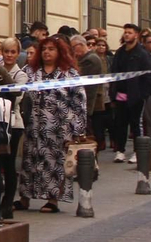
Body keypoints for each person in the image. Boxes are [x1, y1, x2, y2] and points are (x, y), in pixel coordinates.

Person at [18, 35, 86, 213]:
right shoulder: (30, 71)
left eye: (51, 49)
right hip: (33, 126)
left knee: (54, 163)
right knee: (30, 162)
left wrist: (77, 130)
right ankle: (24, 198)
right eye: (44, 49)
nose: (47, 52)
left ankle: (52, 199)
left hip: (58, 129)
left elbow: (79, 102)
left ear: (60, 52)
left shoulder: (69, 73)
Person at [108, 24, 151, 163]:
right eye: (125, 32)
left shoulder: (142, 53)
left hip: (136, 95)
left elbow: (148, 75)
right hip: (120, 94)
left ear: (136, 35)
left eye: (130, 32)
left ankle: (137, 152)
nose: (126, 34)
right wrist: (113, 92)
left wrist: (142, 94)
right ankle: (120, 151)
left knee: (136, 124)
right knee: (120, 124)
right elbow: (113, 73)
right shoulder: (120, 52)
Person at [77, 35, 108, 151]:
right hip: (92, 103)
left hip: (94, 102)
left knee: (93, 131)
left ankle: (92, 154)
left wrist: (87, 108)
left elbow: (89, 86)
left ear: (80, 45)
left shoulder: (90, 59)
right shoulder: (88, 58)